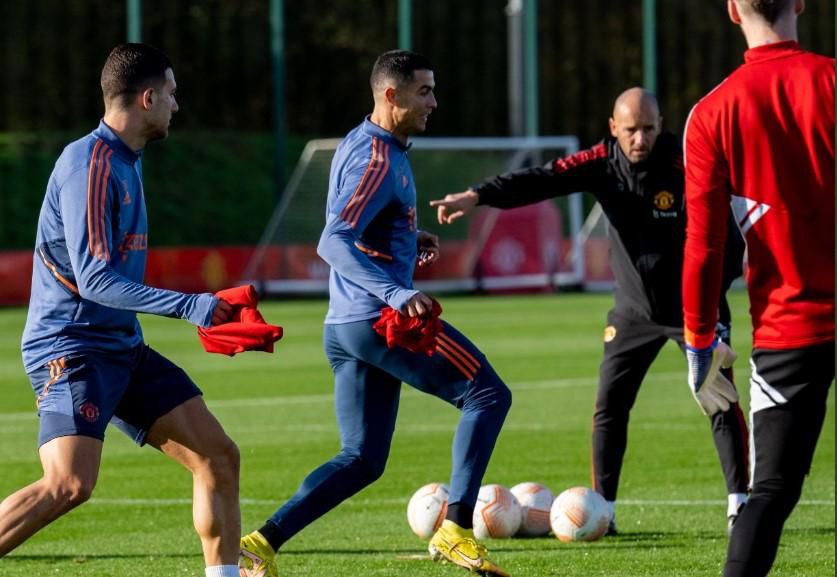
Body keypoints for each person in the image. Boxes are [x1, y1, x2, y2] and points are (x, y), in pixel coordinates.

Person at [238, 50, 512, 577]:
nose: (434, 102)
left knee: (362, 458)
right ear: (392, 96)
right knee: (488, 395)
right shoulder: (378, 158)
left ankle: (260, 544)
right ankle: (454, 530)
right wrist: (393, 293)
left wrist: (408, 239)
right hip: (377, 322)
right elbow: (332, 241)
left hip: (345, 326)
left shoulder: (369, 144)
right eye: (424, 91)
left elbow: (357, 224)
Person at [430, 88, 750, 535]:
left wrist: (714, 299)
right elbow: (540, 179)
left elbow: (728, 238)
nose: (640, 138)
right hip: (633, 312)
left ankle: (740, 502)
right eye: (631, 130)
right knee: (610, 407)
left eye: (649, 129)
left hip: (694, 311)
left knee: (719, 398)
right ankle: (606, 509)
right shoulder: (599, 163)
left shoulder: (686, 161)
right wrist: (476, 196)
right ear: (613, 128)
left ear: (662, 126)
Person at [0, 44, 242, 577]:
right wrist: (193, 306)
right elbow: (94, 280)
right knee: (69, 484)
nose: (176, 106)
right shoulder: (90, 163)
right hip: (72, 348)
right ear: (148, 97)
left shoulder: (128, 162)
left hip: (121, 347)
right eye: (172, 95)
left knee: (218, 457)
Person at [682, 1, 834, 575]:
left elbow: (703, 248)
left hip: (787, 331)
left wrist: (700, 344)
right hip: (792, 326)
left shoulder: (712, 112)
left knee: (768, 492)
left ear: (731, 10)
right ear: (801, 2)